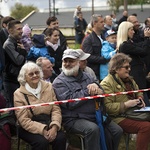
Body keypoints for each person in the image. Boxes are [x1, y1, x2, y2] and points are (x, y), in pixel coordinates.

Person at [53, 49, 123, 150]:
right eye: (65, 61)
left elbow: (101, 90)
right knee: (92, 129)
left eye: (71, 61)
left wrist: (98, 90)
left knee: (117, 130)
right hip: (74, 119)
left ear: (78, 62)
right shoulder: (59, 82)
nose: (67, 64)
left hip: (95, 115)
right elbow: (70, 103)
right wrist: (88, 91)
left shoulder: (88, 76)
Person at [100, 53, 150, 150]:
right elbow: (107, 108)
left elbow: (138, 91)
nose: (129, 69)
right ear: (116, 68)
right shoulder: (106, 83)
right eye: (126, 67)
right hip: (117, 118)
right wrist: (125, 105)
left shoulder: (129, 79)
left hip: (133, 113)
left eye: (129, 67)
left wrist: (140, 98)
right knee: (146, 127)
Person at [14, 61, 66, 150]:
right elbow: (23, 120)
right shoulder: (19, 94)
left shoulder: (48, 86)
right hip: (28, 127)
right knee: (41, 142)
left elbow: (55, 108)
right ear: (24, 77)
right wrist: (42, 130)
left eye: (37, 72)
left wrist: (54, 127)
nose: (35, 75)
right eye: (31, 74)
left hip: (48, 121)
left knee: (61, 138)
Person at [117, 21, 150, 106]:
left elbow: (140, 45)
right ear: (126, 31)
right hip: (135, 78)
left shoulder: (129, 43)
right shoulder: (125, 46)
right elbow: (143, 51)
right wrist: (146, 38)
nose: (133, 32)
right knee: (144, 104)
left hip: (139, 77)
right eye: (131, 30)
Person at [3, 20, 27, 107]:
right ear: (10, 31)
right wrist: (23, 51)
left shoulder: (17, 43)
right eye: (18, 29)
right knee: (14, 107)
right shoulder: (8, 44)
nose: (21, 31)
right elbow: (19, 61)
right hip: (11, 82)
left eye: (22, 28)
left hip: (17, 80)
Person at [82, 14, 109, 80]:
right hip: (95, 73)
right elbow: (88, 56)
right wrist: (104, 60)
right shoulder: (88, 39)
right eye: (101, 22)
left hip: (106, 72)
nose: (104, 24)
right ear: (94, 23)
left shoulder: (104, 38)